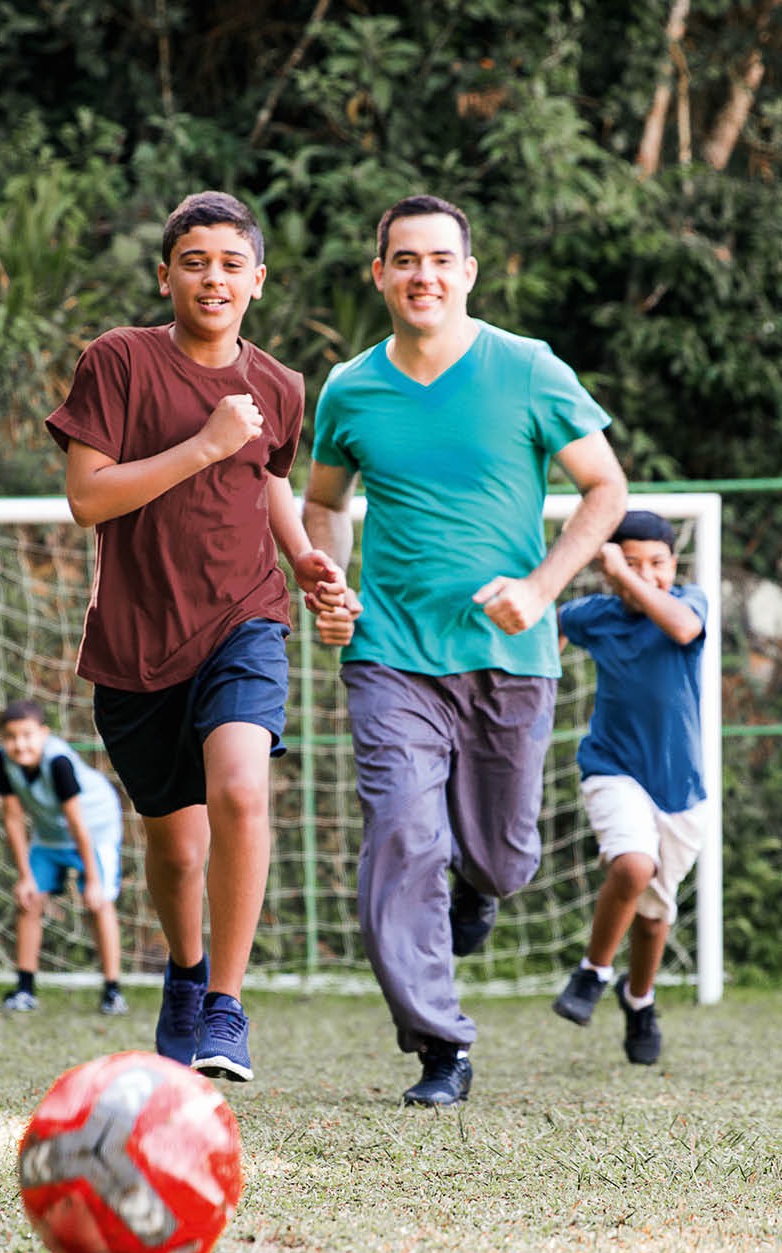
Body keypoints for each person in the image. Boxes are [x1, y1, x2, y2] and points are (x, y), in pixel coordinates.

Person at [303, 193, 628, 1107]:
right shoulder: (349, 387)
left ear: (468, 272)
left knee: (503, 856)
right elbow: (323, 503)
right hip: (391, 653)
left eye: (440, 259)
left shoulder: (527, 369)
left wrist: (539, 589)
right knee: (403, 836)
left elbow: (605, 488)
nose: (423, 276)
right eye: (404, 260)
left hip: (509, 658)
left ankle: (480, 888)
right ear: (380, 274)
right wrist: (331, 581)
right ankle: (439, 1048)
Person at [45, 191, 344, 1082]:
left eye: (229, 264)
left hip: (244, 620)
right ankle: (183, 975)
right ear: (165, 273)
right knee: (176, 847)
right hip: (137, 644)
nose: (212, 277)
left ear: (258, 279)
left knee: (243, 792)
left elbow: (272, 482)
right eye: (193, 261)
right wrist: (206, 445)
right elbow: (88, 498)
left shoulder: (283, 386)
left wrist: (303, 560)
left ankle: (226, 1005)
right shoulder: (118, 362)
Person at [552, 511, 708, 1064]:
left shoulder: (688, 604)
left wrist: (629, 576)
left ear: (674, 565)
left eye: (657, 563)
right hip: (612, 767)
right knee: (633, 865)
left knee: (653, 917)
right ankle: (593, 971)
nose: (648, 573)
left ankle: (639, 999)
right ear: (606, 570)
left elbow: (684, 630)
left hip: (681, 788)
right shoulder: (597, 615)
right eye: (631, 562)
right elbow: (543, 632)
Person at [0, 699, 127, 1015]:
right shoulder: (3, 761)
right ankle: (25, 990)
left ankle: (113, 991)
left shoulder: (59, 763)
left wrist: (92, 880)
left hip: (94, 829)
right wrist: (25, 876)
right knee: (28, 899)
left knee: (98, 903)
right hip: (51, 834)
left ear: (43, 734)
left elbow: (78, 824)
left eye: (27, 735)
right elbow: (12, 819)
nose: (19, 744)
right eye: (11, 737)